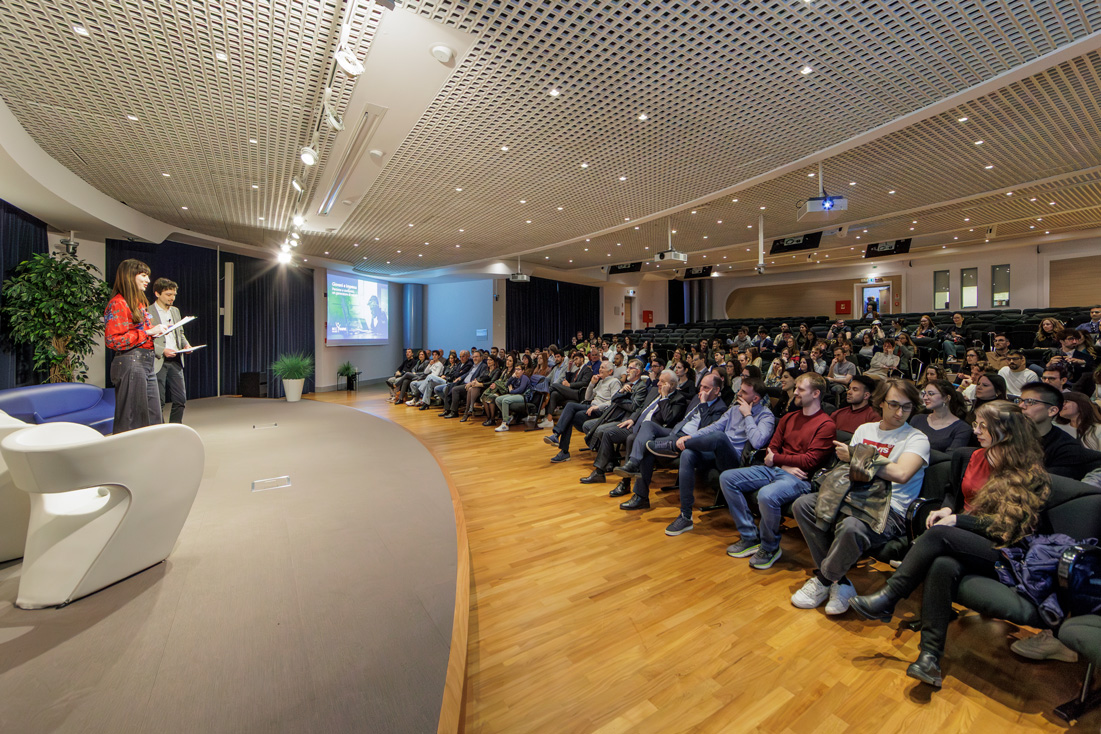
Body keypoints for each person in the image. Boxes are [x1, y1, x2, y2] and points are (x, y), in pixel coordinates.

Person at [849, 402, 1049, 688]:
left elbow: (1007, 528)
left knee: (939, 535)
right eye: (976, 424)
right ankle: (929, 658)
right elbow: (952, 494)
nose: (975, 430)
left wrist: (957, 521)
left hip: (1006, 553)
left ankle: (891, 596)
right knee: (943, 564)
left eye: (983, 426)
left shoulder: (1031, 474)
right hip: (964, 541)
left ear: (1004, 430)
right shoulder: (973, 457)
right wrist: (946, 510)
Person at [791, 379, 930, 615]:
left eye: (906, 407)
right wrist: (866, 462)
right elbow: (850, 470)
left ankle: (824, 580)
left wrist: (857, 456)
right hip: (852, 494)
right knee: (803, 504)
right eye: (894, 404)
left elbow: (901, 473)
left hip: (890, 507)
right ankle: (840, 582)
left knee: (851, 526)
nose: (900, 412)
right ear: (881, 403)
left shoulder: (917, 439)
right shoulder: (865, 430)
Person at [719, 373, 837, 568]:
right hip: (779, 469)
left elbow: (810, 461)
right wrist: (783, 464)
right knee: (727, 478)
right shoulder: (789, 418)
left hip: (800, 480)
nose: (795, 392)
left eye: (801, 389)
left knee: (766, 495)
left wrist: (777, 460)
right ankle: (750, 537)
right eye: (796, 388)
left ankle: (770, 546)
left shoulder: (826, 424)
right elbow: (771, 450)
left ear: (816, 393)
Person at [643, 377, 775, 524]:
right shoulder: (733, 410)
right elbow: (713, 427)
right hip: (716, 453)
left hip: (735, 461)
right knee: (688, 454)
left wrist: (748, 415)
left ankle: (672, 447)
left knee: (720, 437)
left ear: (755, 398)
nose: (738, 393)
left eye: (743, 392)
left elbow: (758, 442)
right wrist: (690, 436)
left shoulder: (766, 415)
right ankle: (685, 515)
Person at [614, 373, 726, 521]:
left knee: (647, 448)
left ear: (717, 390)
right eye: (701, 386)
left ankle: (641, 497)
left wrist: (704, 404)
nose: (702, 390)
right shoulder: (697, 398)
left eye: (706, 388)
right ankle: (633, 463)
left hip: (689, 442)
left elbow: (706, 430)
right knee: (648, 425)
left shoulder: (721, 408)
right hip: (675, 432)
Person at [104, 259, 167, 433]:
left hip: (146, 361)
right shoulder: (118, 303)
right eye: (143, 275)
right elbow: (113, 340)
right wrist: (147, 333)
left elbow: (142, 332)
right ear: (130, 276)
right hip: (131, 361)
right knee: (131, 418)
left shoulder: (139, 303)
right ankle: (127, 456)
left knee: (154, 416)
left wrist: (155, 332)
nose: (148, 280)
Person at [1017, 382, 1101, 479]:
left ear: (1052, 411)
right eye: (1020, 401)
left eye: (1030, 402)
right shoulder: (1011, 434)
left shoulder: (1065, 448)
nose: (1021, 406)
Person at [545, 362, 621, 462]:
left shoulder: (614, 382)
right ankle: (557, 438)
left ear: (610, 371)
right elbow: (587, 397)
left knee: (570, 414)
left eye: (603, 368)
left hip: (602, 412)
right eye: (600, 367)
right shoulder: (600, 382)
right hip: (591, 407)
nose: (600, 369)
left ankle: (562, 448)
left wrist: (597, 407)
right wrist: (592, 383)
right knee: (570, 407)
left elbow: (614, 402)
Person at [149, 278, 192, 424]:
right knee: (158, 402)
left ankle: (175, 428)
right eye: (168, 294)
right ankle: (159, 430)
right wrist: (162, 350)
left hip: (176, 360)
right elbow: (145, 339)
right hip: (159, 360)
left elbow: (180, 333)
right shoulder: (148, 312)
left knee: (180, 399)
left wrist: (186, 345)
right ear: (157, 293)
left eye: (173, 295)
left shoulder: (175, 311)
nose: (172, 298)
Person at [911, 380, 972, 452]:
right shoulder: (917, 419)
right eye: (924, 394)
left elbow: (951, 457)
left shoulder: (962, 428)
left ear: (946, 398)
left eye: (930, 394)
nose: (925, 398)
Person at [494, 365, 532, 431]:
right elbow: (506, 385)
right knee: (498, 399)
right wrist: (512, 377)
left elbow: (521, 390)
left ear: (523, 371)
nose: (516, 371)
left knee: (505, 401)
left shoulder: (524, 378)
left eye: (518, 369)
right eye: (515, 369)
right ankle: (508, 417)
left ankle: (505, 424)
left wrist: (511, 391)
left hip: (523, 396)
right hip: (515, 395)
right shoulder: (515, 377)